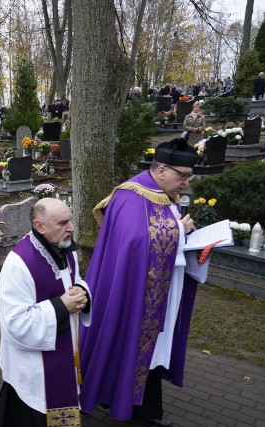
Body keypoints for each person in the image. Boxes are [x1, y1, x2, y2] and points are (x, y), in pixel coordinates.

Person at [80, 138, 206, 427]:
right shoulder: (130, 195)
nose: (186, 182)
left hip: (160, 288)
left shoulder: (166, 194)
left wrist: (183, 233)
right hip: (131, 291)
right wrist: (178, 229)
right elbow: (136, 240)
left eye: (189, 176)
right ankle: (103, 396)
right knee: (127, 339)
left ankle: (146, 409)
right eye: (182, 175)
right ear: (161, 170)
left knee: (152, 348)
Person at [0, 198, 90, 427]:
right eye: (63, 223)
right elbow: (15, 323)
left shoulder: (66, 248)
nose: (71, 228)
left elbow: (77, 281)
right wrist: (62, 306)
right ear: (39, 226)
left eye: (70, 220)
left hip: (65, 352)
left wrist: (83, 293)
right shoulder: (18, 264)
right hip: (33, 366)